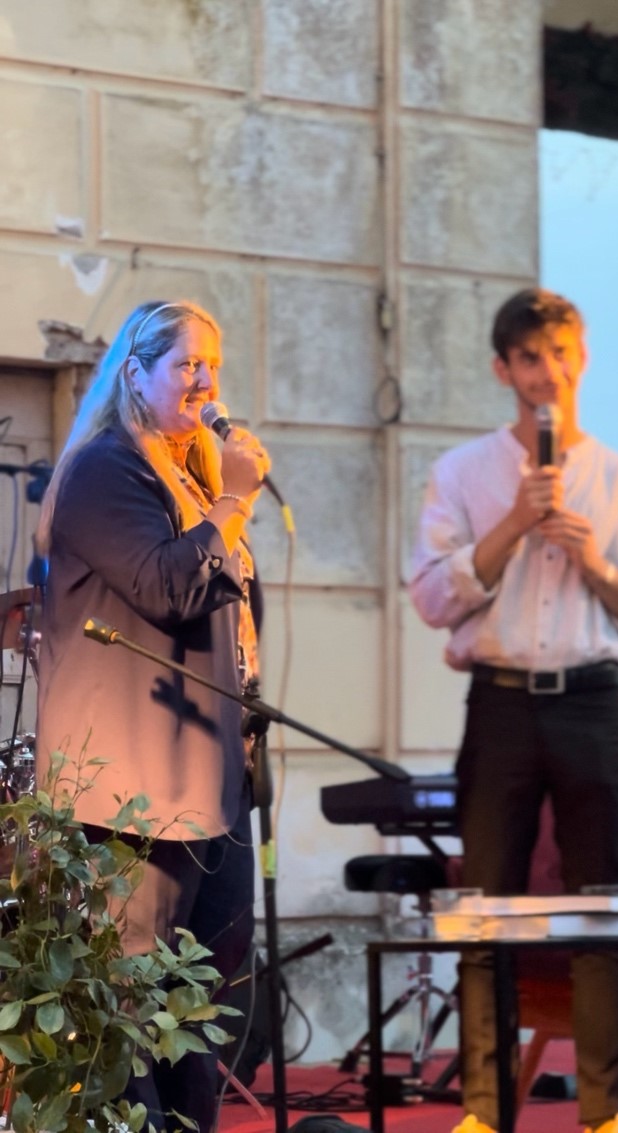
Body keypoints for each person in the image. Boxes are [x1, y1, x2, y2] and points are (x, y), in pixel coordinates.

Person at [409, 287, 618, 1133]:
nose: (548, 372)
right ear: (504, 369)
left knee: (603, 901)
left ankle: (606, 1111)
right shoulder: (463, 472)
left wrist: (596, 563)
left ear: (583, 358)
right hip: (500, 701)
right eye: (530, 358)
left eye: (561, 353)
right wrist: (511, 525)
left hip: (591, 701)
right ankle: (484, 1109)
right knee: (485, 904)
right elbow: (431, 597)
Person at [35, 299, 270, 1133]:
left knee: (198, 996)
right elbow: (168, 586)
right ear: (135, 373)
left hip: (210, 769)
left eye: (213, 364)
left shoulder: (193, 477)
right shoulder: (105, 469)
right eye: (187, 364)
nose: (206, 382)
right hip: (132, 783)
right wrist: (233, 502)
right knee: (134, 992)